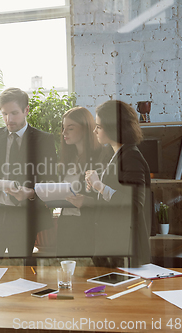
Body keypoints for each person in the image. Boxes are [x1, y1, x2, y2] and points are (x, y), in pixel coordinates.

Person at [0, 87, 58, 260]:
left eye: (14, 113)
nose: (9, 119)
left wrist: (31, 194)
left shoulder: (43, 139)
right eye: (4, 114)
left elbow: (51, 180)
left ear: (26, 110)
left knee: (20, 274)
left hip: (23, 219)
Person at [84, 100, 151, 267]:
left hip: (125, 248)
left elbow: (134, 205)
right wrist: (96, 186)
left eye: (99, 126)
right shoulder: (117, 154)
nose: (95, 130)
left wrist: (100, 185)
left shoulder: (131, 157)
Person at [55, 107, 102, 257]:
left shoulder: (102, 157)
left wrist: (87, 201)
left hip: (88, 228)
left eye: (70, 128)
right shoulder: (67, 159)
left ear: (86, 128)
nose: (64, 134)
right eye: (63, 128)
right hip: (66, 225)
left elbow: (110, 198)